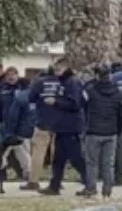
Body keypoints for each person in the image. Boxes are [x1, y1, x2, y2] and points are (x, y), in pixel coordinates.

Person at [34, 57, 87, 196]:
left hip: (71, 126)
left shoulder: (72, 82)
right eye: (55, 69)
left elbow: (75, 104)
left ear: (66, 68)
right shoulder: (62, 82)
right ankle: (54, 186)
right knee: (58, 159)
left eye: (58, 69)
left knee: (76, 158)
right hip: (61, 126)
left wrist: (56, 102)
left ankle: (89, 183)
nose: (56, 72)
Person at [83, 64, 122, 199]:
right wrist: (118, 130)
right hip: (111, 132)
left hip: (93, 131)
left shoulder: (90, 91)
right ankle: (107, 189)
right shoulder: (118, 93)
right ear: (110, 76)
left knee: (92, 162)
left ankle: (91, 188)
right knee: (108, 163)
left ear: (97, 76)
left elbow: (83, 107)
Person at [0, 67, 36, 188]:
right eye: (8, 75)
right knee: (24, 151)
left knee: (22, 151)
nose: (11, 77)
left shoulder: (20, 95)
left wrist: (11, 130)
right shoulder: (4, 88)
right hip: (27, 126)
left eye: (13, 74)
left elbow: (14, 114)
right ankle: (26, 173)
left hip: (20, 127)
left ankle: (28, 173)